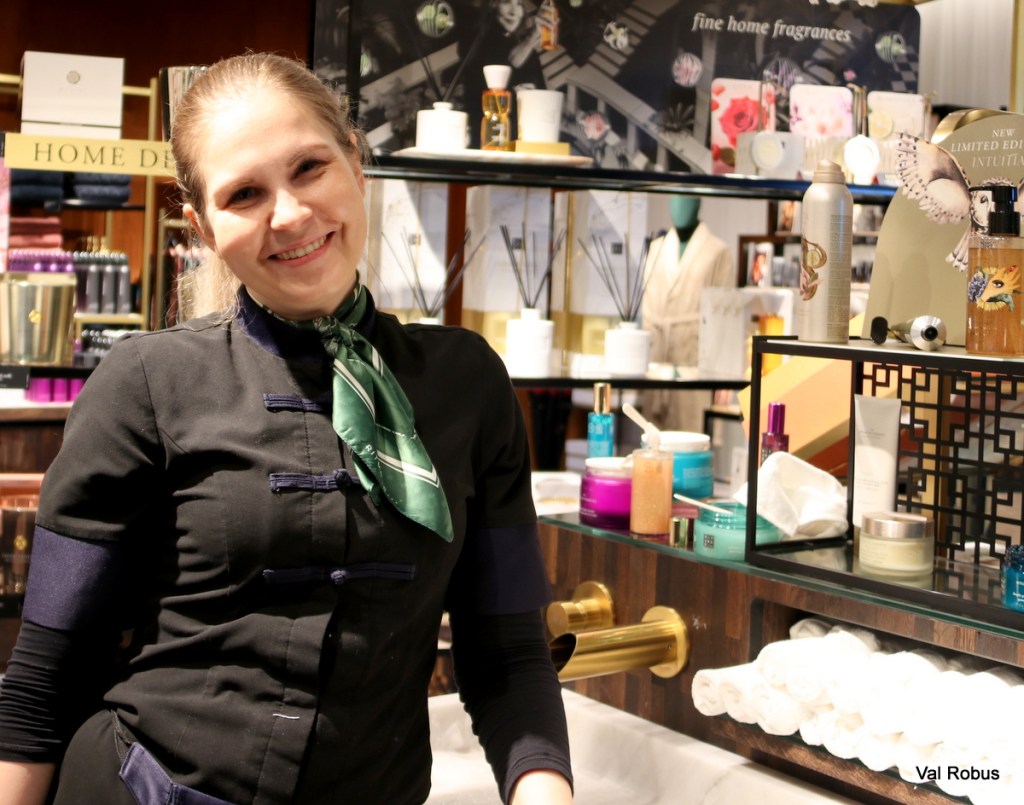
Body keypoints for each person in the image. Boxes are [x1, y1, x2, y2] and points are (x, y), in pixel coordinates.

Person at [0, 52, 573, 805]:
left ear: (356, 165)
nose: (292, 214)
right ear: (204, 228)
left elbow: (510, 659)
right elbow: (46, 677)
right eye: (245, 193)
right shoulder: (143, 383)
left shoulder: (469, 384)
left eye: (309, 167)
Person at [641, 196, 734, 433]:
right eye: (675, 197)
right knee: (653, 441)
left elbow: (725, 322)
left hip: (695, 362)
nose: (679, 205)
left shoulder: (717, 252)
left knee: (692, 437)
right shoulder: (656, 248)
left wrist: (724, 376)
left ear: (698, 201)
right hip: (657, 362)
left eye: (686, 198)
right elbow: (646, 308)